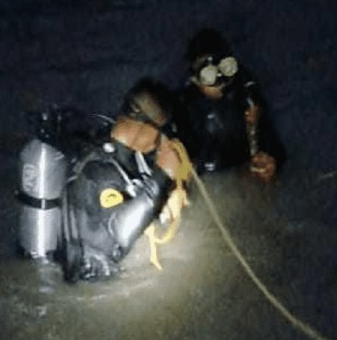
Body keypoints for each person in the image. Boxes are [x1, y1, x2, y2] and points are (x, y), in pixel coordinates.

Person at [57, 78, 192, 282]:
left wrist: (172, 192)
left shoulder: (131, 158)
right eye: (162, 133)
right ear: (145, 128)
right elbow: (121, 231)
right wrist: (162, 174)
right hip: (95, 282)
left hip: (119, 268)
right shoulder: (98, 171)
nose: (162, 142)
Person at [174, 28, 285, 182]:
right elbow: (190, 161)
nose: (220, 80)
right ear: (195, 79)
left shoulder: (245, 91)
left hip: (243, 167)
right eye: (209, 74)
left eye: (226, 68)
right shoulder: (186, 107)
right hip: (216, 174)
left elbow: (270, 138)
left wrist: (271, 160)